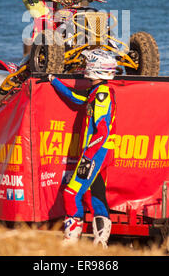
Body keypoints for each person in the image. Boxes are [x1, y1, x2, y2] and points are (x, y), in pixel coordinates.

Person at [48, 49, 117, 247]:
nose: (86, 67)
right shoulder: (97, 91)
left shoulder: (102, 93)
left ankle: (71, 239)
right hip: (102, 151)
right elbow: (76, 97)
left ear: (97, 67)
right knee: (96, 194)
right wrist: (54, 81)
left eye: (89, 63)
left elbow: (102, 130)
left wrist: (88, 157)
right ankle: (101, 242)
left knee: (71, 193)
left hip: (97, 151)